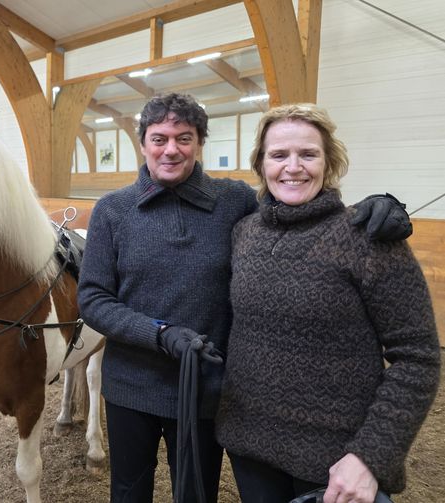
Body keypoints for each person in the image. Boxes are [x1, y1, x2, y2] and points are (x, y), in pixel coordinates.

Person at [77, 93, 413, 503]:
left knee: (196, 490)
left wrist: (378, 205)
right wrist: (159, 333)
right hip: (132, 384)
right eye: (159, 138)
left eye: (184, 138)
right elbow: (93, 298)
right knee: (129, 490)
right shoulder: (113, 211)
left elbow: (294, 202)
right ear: (143, 142)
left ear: (199, 143)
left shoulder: (233, 201)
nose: (171, 149)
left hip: (203, 386)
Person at [214, 103, 441, 503]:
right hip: (250, 445)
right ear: (261, 164)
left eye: (308, 154)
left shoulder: (367, 238)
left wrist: (371, 456)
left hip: (336, 462)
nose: (293, 167)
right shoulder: (244, 234)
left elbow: (417, 357)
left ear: (329, 161)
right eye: (279, 155)